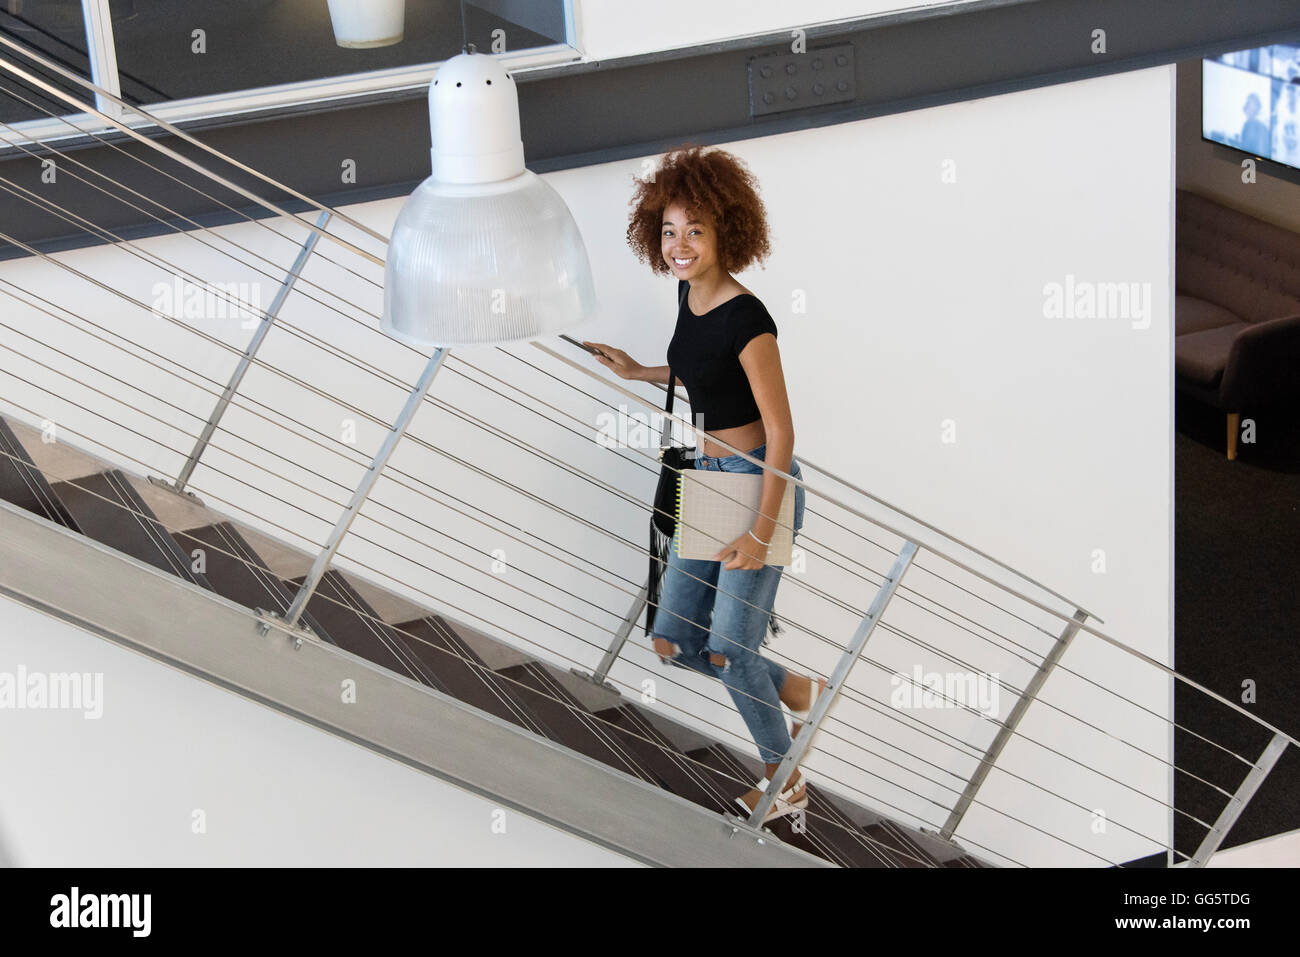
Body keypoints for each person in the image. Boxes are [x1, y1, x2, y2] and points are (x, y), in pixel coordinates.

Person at [583, 144, 827, 823]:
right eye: (669, 230)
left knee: (729, 646)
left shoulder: (751, 320)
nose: (680, 244)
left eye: (695, 230)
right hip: (711, 479)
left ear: (727, 231)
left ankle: (787, 781)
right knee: (672, 639)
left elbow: (782, 431)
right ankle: (797, 687)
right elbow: (703, 375)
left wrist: (760, 529)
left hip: (759, 483)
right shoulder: (691, 294)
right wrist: (640, 373)